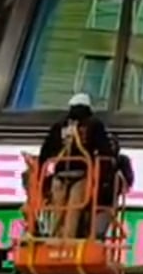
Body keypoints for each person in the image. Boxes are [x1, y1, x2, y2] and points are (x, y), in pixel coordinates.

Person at [37, 93, 114, 239]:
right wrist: (104, 178)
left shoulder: (60, 125)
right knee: (73, 211)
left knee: (57, 212)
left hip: (59, 175)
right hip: (81, 174)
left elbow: (45, 151)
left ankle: (54, 243)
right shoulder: (95, 124)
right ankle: (68, 245)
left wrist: (42, 175)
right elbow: (105, 152)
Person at [91, 138, 136, 241]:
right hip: (87, 201)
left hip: (106, 203)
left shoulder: (122, 161)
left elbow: (128, 181)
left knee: (97, 234)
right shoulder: (92, 159)